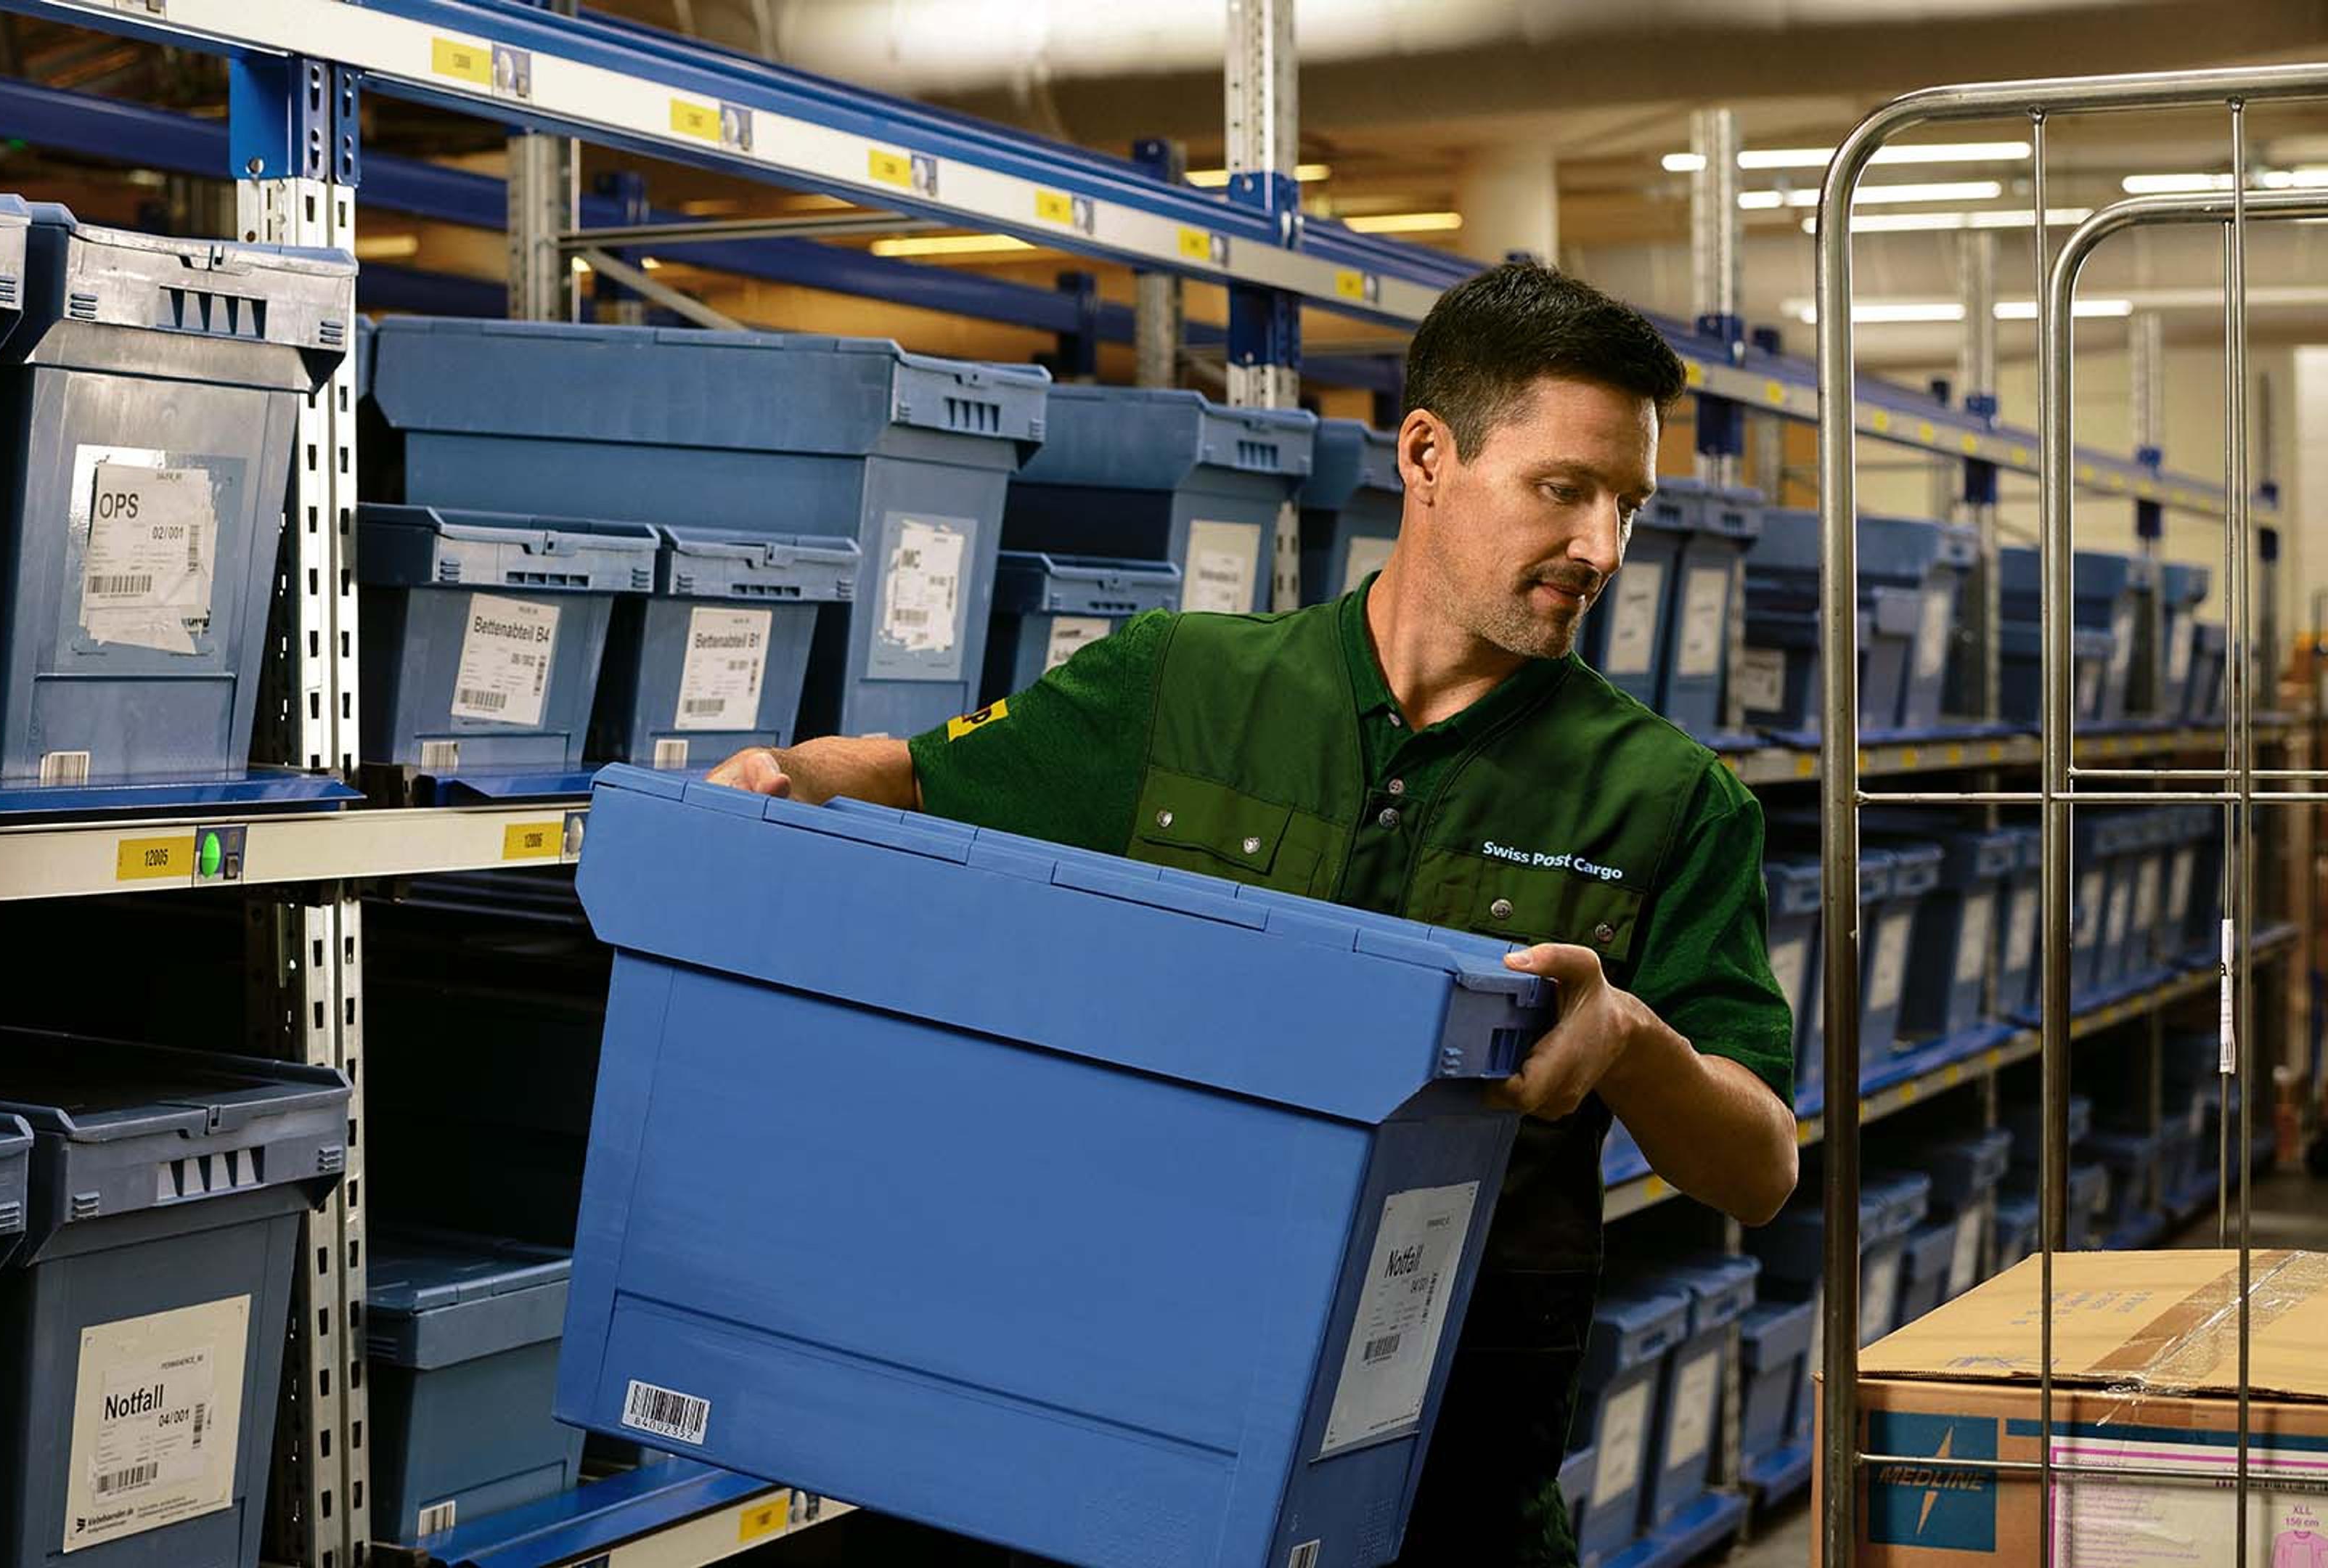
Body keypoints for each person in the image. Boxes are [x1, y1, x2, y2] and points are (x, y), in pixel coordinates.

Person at [706, 261, 1799, 1566]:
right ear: (1428, 455)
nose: (1603, 549)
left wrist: (1630, 1039)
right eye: (1563, 490)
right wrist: (786, 774)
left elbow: (1759, 1167)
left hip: (1440, 1477)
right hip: (1124, 1415)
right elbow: (918, 777)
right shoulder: (1178, 688)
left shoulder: (1673, 800)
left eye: (1629, 505)